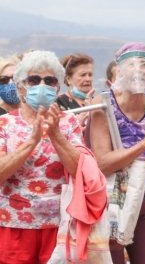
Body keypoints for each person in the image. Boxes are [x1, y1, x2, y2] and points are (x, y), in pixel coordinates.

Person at [89, 42, 145, 264]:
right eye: (132, 64)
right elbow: (102, 163)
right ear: (119, 71)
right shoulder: (104, 104)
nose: (139, 70)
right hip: (112, 203)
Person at [0, 50, 84, 263]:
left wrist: (55, 135)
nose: (42, 85)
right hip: (13, 225)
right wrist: (32, 140)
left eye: (49, 80)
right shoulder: (4, 124)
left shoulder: (68, 122)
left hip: (60, 228)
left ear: (57, 88)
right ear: (21, 86)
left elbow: (79, 170)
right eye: (34, 79)